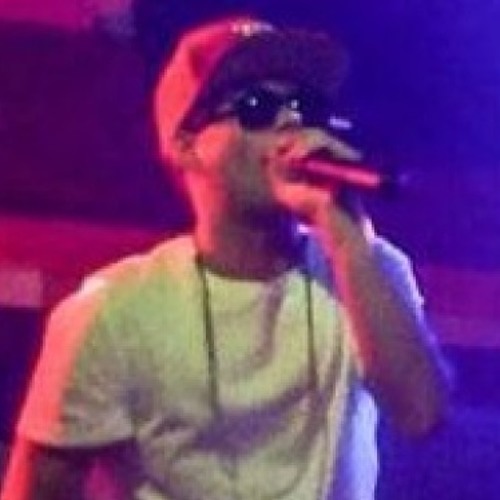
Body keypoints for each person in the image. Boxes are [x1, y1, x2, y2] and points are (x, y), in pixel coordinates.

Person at [1, 15, 450, 500]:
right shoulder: (115, 310)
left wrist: (347, 237)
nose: (290, 123)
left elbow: (420, 415)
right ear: (186, 145)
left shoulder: (366, 269)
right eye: (257, 107)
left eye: (305, 106)